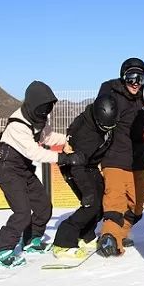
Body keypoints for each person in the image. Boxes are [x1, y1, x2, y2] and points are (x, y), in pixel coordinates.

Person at [0, 80, 86, 267]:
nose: (45, 112)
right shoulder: (17, 124)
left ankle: (31, 240)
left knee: (44, 206)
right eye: (42, 108)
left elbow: (47, 137)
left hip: (24, 169)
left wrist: (71, 138)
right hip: (8, 170)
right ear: (33, 104)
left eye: (47, 108)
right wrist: (65, 158)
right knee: (22, 212)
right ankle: (2, 250)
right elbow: (33, 152)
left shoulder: (41, 119)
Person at [51, 94, 119, 259]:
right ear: (97, 120)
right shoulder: (85, 135)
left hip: (89, 166)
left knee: (102, 202)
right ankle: (63, 242)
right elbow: (76, 166)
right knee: (91, 204)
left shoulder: (104, 120)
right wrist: (87, 192)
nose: (107, 130)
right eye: (104, 127)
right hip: (74, 167)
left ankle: (86, 235)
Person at [96, 58, 144, 257]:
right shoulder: (113, 94)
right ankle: (109, 236)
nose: (135, 82)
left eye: (140, 78)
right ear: (123, 77)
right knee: (115, 200)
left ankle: (122, 233)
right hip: (115, 158)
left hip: (138, 160)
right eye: (131, 77)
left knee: (137, 204)